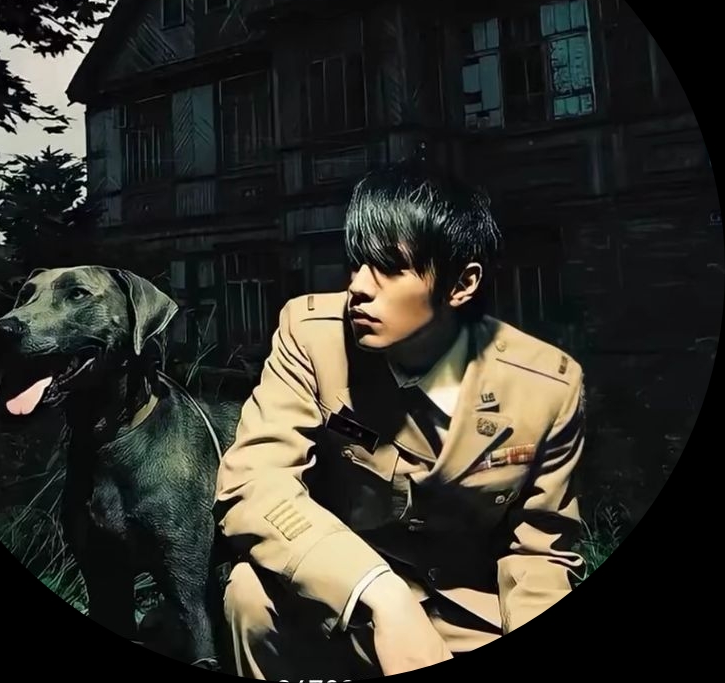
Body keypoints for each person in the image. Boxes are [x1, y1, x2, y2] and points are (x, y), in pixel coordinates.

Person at [213, 158, 587, 679]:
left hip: (470, 617)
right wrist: (378, 591)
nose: (359, 287)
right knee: (249, 594)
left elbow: (540, 552)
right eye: (357, 262)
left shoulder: (546, 387)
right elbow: (255, 484)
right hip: (340, 598)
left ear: (461, 284)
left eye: (389, 267)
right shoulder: (311, 336)